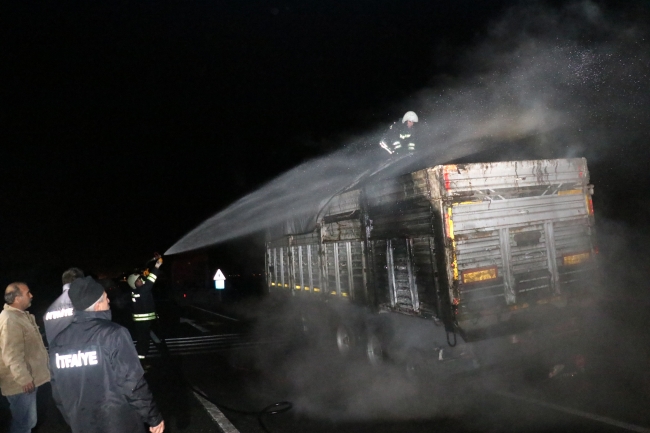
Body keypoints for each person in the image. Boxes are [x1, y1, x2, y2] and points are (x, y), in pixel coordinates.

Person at [49, 276, 165, 433]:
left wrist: (73, 419)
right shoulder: (114, 334)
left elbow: (58, 392)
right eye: (105, 298)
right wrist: (153, 417)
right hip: (120, 423)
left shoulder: (58, 342)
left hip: (82, 424)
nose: (109, 301)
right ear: (97, 306)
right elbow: (132, 383)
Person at [0, 282, 51, 433]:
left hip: (27, 380)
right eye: (28, 293)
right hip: (19, 384)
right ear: (17, 298)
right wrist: (23, 378)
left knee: (27, 422)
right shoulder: (10, 319)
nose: (31, 295)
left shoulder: (20, 316)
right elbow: (11, 353)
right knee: (24, 424)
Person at [128, 253, 163, 360]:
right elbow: (150, 281)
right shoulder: (143, 290)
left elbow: (146, 278)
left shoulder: (136, 291)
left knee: (144, 337)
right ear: (135, 283)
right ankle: (140, 360)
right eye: (138, 280)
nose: (141, 280)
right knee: (144, 340)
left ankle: (158, 347)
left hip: (143, 321)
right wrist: (157, 266)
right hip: (145, 321)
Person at [44, 267, 85, 346]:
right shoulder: (85, 304)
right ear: (81, 282)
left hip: (57, 355)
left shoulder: (49, 310)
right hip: (82, 353)